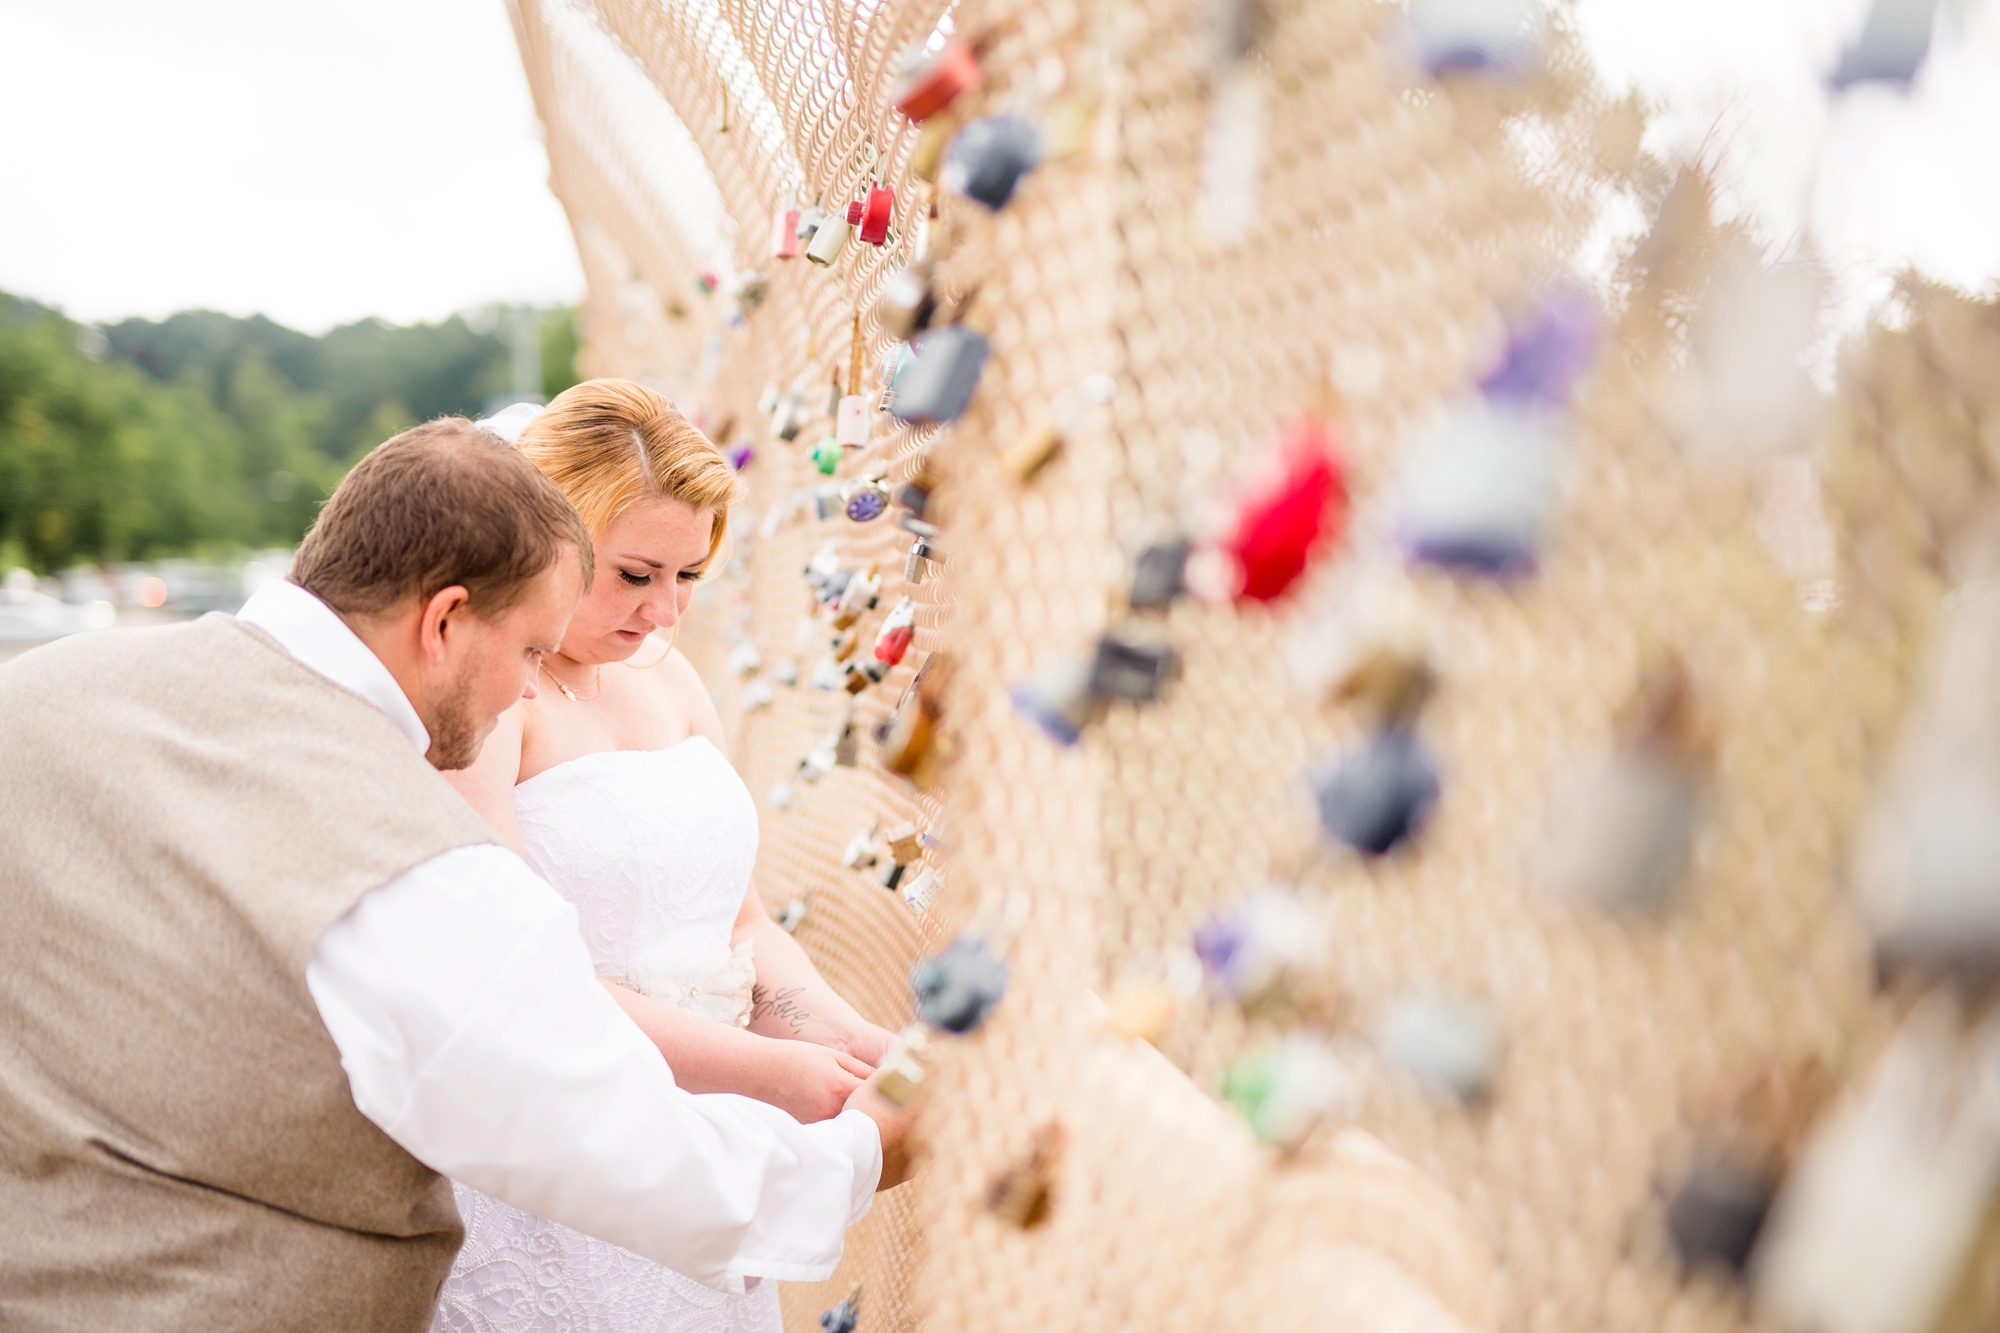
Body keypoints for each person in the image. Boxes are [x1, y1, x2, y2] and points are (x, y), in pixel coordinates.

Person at [0, 419, 913, 1333]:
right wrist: (863, 1149)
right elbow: (607, 1140)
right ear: (443, 620)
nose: (528, 689)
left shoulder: (38, 696)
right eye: (525, 651)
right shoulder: (397, 854)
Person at [430, 381, 898, 1333]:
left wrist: (851, 1043)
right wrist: (772, 1077)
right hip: (568, 1157)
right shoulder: (485, 702)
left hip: (713, 1139)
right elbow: (521, 973)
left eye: (688, 575)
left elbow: (743, 923)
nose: (666, 613)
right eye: (634, 574)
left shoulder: (668, 675)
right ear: (545, 541)